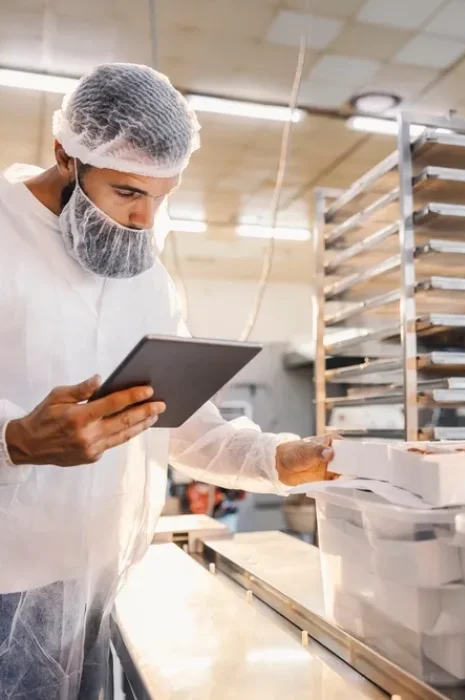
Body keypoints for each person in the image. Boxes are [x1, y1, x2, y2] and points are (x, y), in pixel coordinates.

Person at [0, 63, 334, 700]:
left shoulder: (146, 276)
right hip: (5, 586)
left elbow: (176, 419)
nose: (144, 220)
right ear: (66, 154)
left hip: (102, 582)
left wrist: (278, 460)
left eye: (162, 196)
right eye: (127, 191)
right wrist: (13, 440)